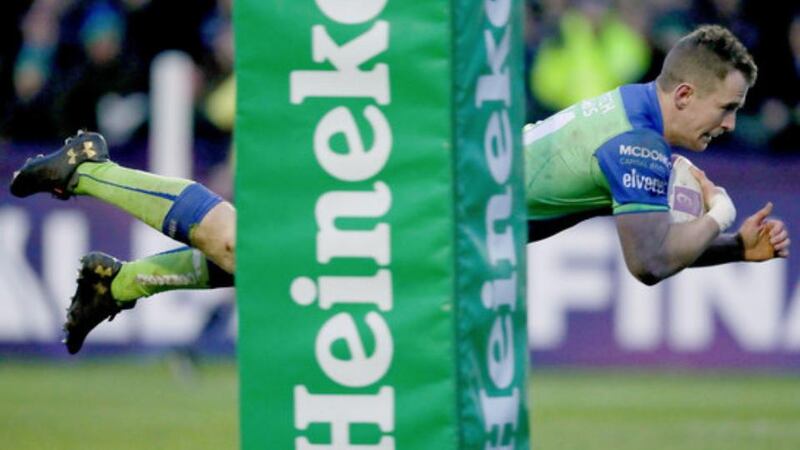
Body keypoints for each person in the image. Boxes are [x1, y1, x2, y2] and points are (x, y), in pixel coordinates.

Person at [9, 25, 790, 354]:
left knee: (281, 267)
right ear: (685, 95)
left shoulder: (639, 119)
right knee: (244, 242)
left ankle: (127, 283)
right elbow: (649, 263)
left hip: (432, 213)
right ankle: (91, 168)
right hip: (414, 201)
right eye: (726, 108)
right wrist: (717, 215)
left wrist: (729, 249)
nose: (729, 126)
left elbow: (660, 250)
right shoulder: (637, 145)